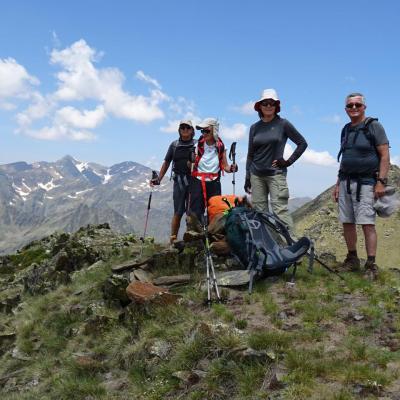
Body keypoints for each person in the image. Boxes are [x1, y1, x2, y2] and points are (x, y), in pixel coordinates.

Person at [333, 92, 390, 279]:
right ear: (346, 109)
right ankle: (352, 259)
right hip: (346, 182)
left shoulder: (374, 126)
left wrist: (381, 182)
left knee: (367, 224)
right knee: (347, 222)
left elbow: (384, 155)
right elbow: (345, 159)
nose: (354, 108)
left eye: (357, 105)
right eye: (350, 106)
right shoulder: (346, 129)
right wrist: (337, 184)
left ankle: (371, 264)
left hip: (366, 183)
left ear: (364, 107)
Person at [245, 88, 307, 229]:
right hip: (256, 175)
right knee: (260, 214)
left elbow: (302, 143)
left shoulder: (283, 124)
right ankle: (267, 247)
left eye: (271, 103)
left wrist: (287, 162)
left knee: (280, 212)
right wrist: (247, 176)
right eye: (265, 103)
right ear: (259, 106)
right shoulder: (254, 128)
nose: (268, 106)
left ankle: (292, 246)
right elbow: (250, 154)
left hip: (275, 175)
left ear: (276, 106)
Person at [151, 120, 196, 243]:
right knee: (178, 211)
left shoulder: (197, 145)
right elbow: (167, 162)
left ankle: (190, 240)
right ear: (179, 130)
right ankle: (173, 239)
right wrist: (159, 178)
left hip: (193, 181)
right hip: (179, 182)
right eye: (182, 127)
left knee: (191, 212)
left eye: (188, 127)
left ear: (192, 130)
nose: (185, 129)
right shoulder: (174, 145)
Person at [189, 118, 237, 224]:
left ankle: (212, 236)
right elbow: (191, 165)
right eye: (202, 131)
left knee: (215, 211)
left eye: (207, 131)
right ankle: (195, 236)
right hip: (198, 181)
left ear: (214, 130)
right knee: (195, 211)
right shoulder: (197, 146)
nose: (204, 133)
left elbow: (225, 166)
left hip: (214, 181)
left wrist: (232, 168)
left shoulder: (221, 147)